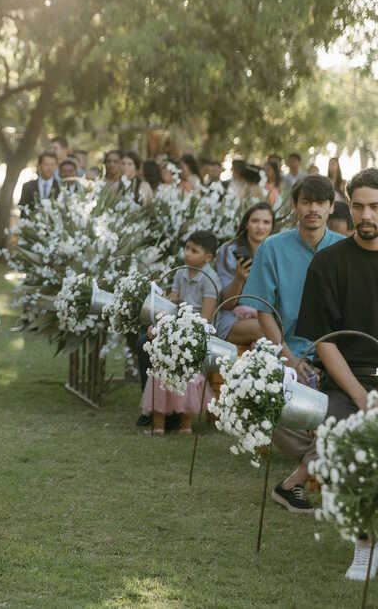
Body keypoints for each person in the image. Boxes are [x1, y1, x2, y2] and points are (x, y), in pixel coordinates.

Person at [241, 174, 342, 513]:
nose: (312, 208)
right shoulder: (273, 247)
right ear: (296, 206)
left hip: (337, 353)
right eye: (306, 201)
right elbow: (264, 310)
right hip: (285, 349)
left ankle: (299, 478)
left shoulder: (343, 248)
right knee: (266, 403)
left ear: (330, 207)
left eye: (319, 202)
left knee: (346, 409)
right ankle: (327, 463)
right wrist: (289, 358)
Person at [296, 167, 378, 581]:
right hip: (350, 380)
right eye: (360, 205)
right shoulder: (328, 264)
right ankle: (364, 545)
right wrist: (363, 397)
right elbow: (325, 342)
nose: (367, 215)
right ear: (347, 202)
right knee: (346, 435)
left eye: (376, 207)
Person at [140, 230, 219, 435]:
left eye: (194, 250)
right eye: (187, 248)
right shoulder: (181, 272)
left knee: (183, 363)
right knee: (151, 346)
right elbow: (172, 303)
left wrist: (182, 331)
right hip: (176, 323)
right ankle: (158, 419)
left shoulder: (209, 278)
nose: (187, 253)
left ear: (207, 257)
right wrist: (160, 320)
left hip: (196, 330)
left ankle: (183, 422)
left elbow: (206, 318)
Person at [213, 202, 274, 345]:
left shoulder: (275, 251)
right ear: (246, 224)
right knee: (266, 330)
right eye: (255, 221)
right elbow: (226, 304)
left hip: (264, 314)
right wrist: (239, 279)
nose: (260, 227)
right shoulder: (229, 250)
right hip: (231, 316)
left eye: (266, 222)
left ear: (272, 226)